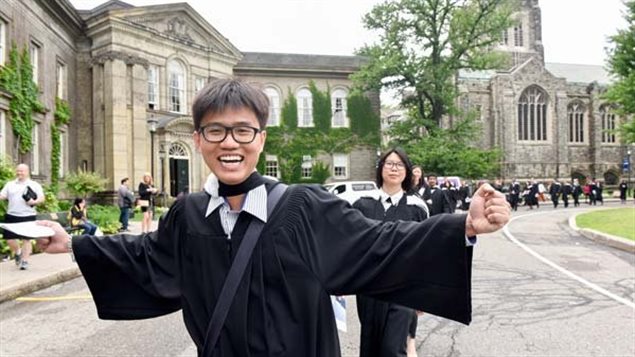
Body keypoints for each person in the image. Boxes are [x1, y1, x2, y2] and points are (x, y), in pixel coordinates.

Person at [37, 78, 510, 357]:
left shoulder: (303, 209)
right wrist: (72, 243)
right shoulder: (189, 215)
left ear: (260, 139)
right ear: (199, 140)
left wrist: (464, 227)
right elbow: (145, 256)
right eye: (216, 130)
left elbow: (381, 244)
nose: (230, 142)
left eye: (243, 130)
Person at [353, 148, 429, 357]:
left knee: (393, 348)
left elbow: (424, 252)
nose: (394, 168)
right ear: (381, 169)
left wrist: (423, 294)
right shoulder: (362, 205)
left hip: (403, 288)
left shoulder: (417, 209)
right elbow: (352, 246)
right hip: (369, 287)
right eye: (389, 163)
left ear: (407, 171)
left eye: (399, 164)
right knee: (371, 347)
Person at [0, 163, 45, 270]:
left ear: (27, 172)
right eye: (18, 171)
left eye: (22, 171)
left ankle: (25, 261)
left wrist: (34, 201)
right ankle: (18, 252)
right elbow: (2, 195)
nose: (19, 173)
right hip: (12, 215)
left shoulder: (34, 184)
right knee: (10, 239)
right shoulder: (10, 184)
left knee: (26, 239)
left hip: (28, 215)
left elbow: (42, 198)